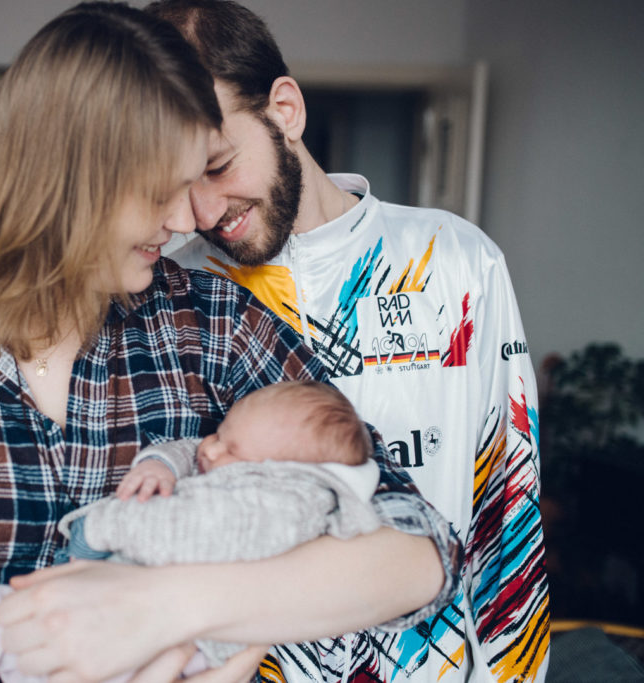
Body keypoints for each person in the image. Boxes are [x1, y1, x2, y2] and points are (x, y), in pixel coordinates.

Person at [0, 3, 460, 682]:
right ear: (71, 179)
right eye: (159, 191)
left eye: (196, 179)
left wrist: (163, 606)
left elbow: (420, 550)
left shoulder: (215, 324)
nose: (185, 221)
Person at [144, 1, 549, 681]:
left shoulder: (454, 259)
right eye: (180, 183)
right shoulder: (174, 292)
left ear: (285, 110)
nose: (205, 212)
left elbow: (508, 507)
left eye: (217, 165)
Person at [0, 381, 381, 682]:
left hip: (144, 650)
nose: (209, 450)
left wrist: (101, 526)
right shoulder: (253, 470)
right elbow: (188, 448)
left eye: (228, 446)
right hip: (114, 635)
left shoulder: (271, 509)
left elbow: (183, 532)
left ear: (280, 472)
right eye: (218, 432)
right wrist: (159, 464)